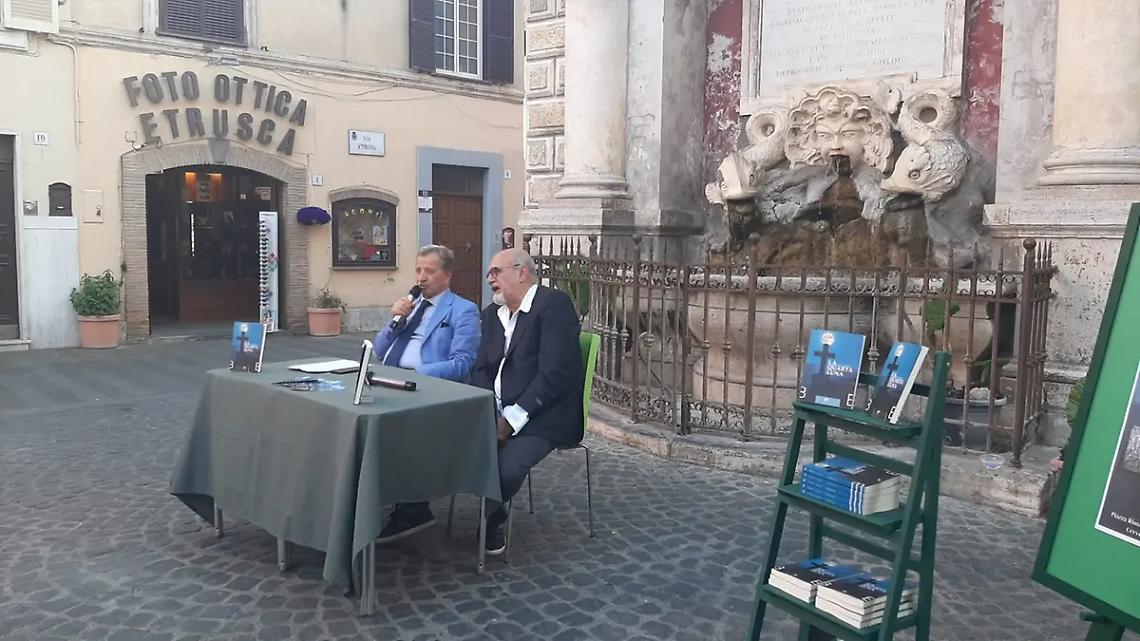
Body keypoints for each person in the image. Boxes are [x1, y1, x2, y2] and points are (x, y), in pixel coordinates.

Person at [468, 248, 585, 554]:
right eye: (489, 273)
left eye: (496, 271)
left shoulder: (553, 305)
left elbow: (555, 375)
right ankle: (412, 512)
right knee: (443, 441)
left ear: (521, 272)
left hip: (544, 415)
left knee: (505, 469)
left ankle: (492, 519)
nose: (489, 278)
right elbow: (481, 368)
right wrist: (485, 408)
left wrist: (510, 420)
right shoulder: (491, 316)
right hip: (494, 411)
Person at [374, 244, 480, 542]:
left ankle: (412, 509)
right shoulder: (412, 306)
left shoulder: (463, 310)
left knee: (400, 431)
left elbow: (463, 365)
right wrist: (395, 320)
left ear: (447, 275)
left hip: (428, 391)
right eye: (418, 270)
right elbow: (380, 351)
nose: (421, 277)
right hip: (389, 380)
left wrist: (415, 376)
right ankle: (373, 492)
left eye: (429, 271)